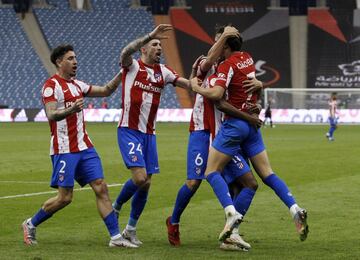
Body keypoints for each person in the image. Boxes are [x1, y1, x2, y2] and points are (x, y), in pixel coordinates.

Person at [190, 29, 309, 243]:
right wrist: (260, 88)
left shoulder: (226, 65)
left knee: (211, 171)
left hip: (235, 127)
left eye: (220, 43)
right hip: (251, 128)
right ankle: (294, 208)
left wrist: (196, 87)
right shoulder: (247, 58)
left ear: (225, 46)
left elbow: (218, 97)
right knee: (267, 174)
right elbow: (253, 89)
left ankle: (231, 213)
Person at [22, 44, 137, 248]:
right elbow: (50, 114)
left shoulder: (77, 85)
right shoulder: (51, 86)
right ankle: (30, 223)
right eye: (70, 58)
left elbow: (106, 90)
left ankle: (115, 238)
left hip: (85, 147)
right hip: (64, 149)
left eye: (75, 58)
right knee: (65, 198)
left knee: (101, 187)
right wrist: (71, 109)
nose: (75, 62)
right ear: (59, 62)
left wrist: (124, 71)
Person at [166, 26, 262, 251]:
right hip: (201, 130)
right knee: (194, 182)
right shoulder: (204, 63)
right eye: (219, 41)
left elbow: (249, 91)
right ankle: (174, 221)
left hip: (225, 131)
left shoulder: (234, 65)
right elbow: (208, 61)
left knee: (243, 182)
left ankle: (231, 233)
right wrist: (225, 37)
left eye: (226, 42)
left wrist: (259, 85)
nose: (222, 46)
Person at [112, 24, 191, 246]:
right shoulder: (132, 66)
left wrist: (205, 84)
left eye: (160, 45)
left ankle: (130, 229)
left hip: (149, 134)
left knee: (146, 184)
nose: (159, 47)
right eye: (154, 44)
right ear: (143, 49)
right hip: (129, 130)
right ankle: (115, 208)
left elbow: (186, 83)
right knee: (139, 178)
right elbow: (124, 52)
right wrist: (149, 35)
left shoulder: (163, 72)